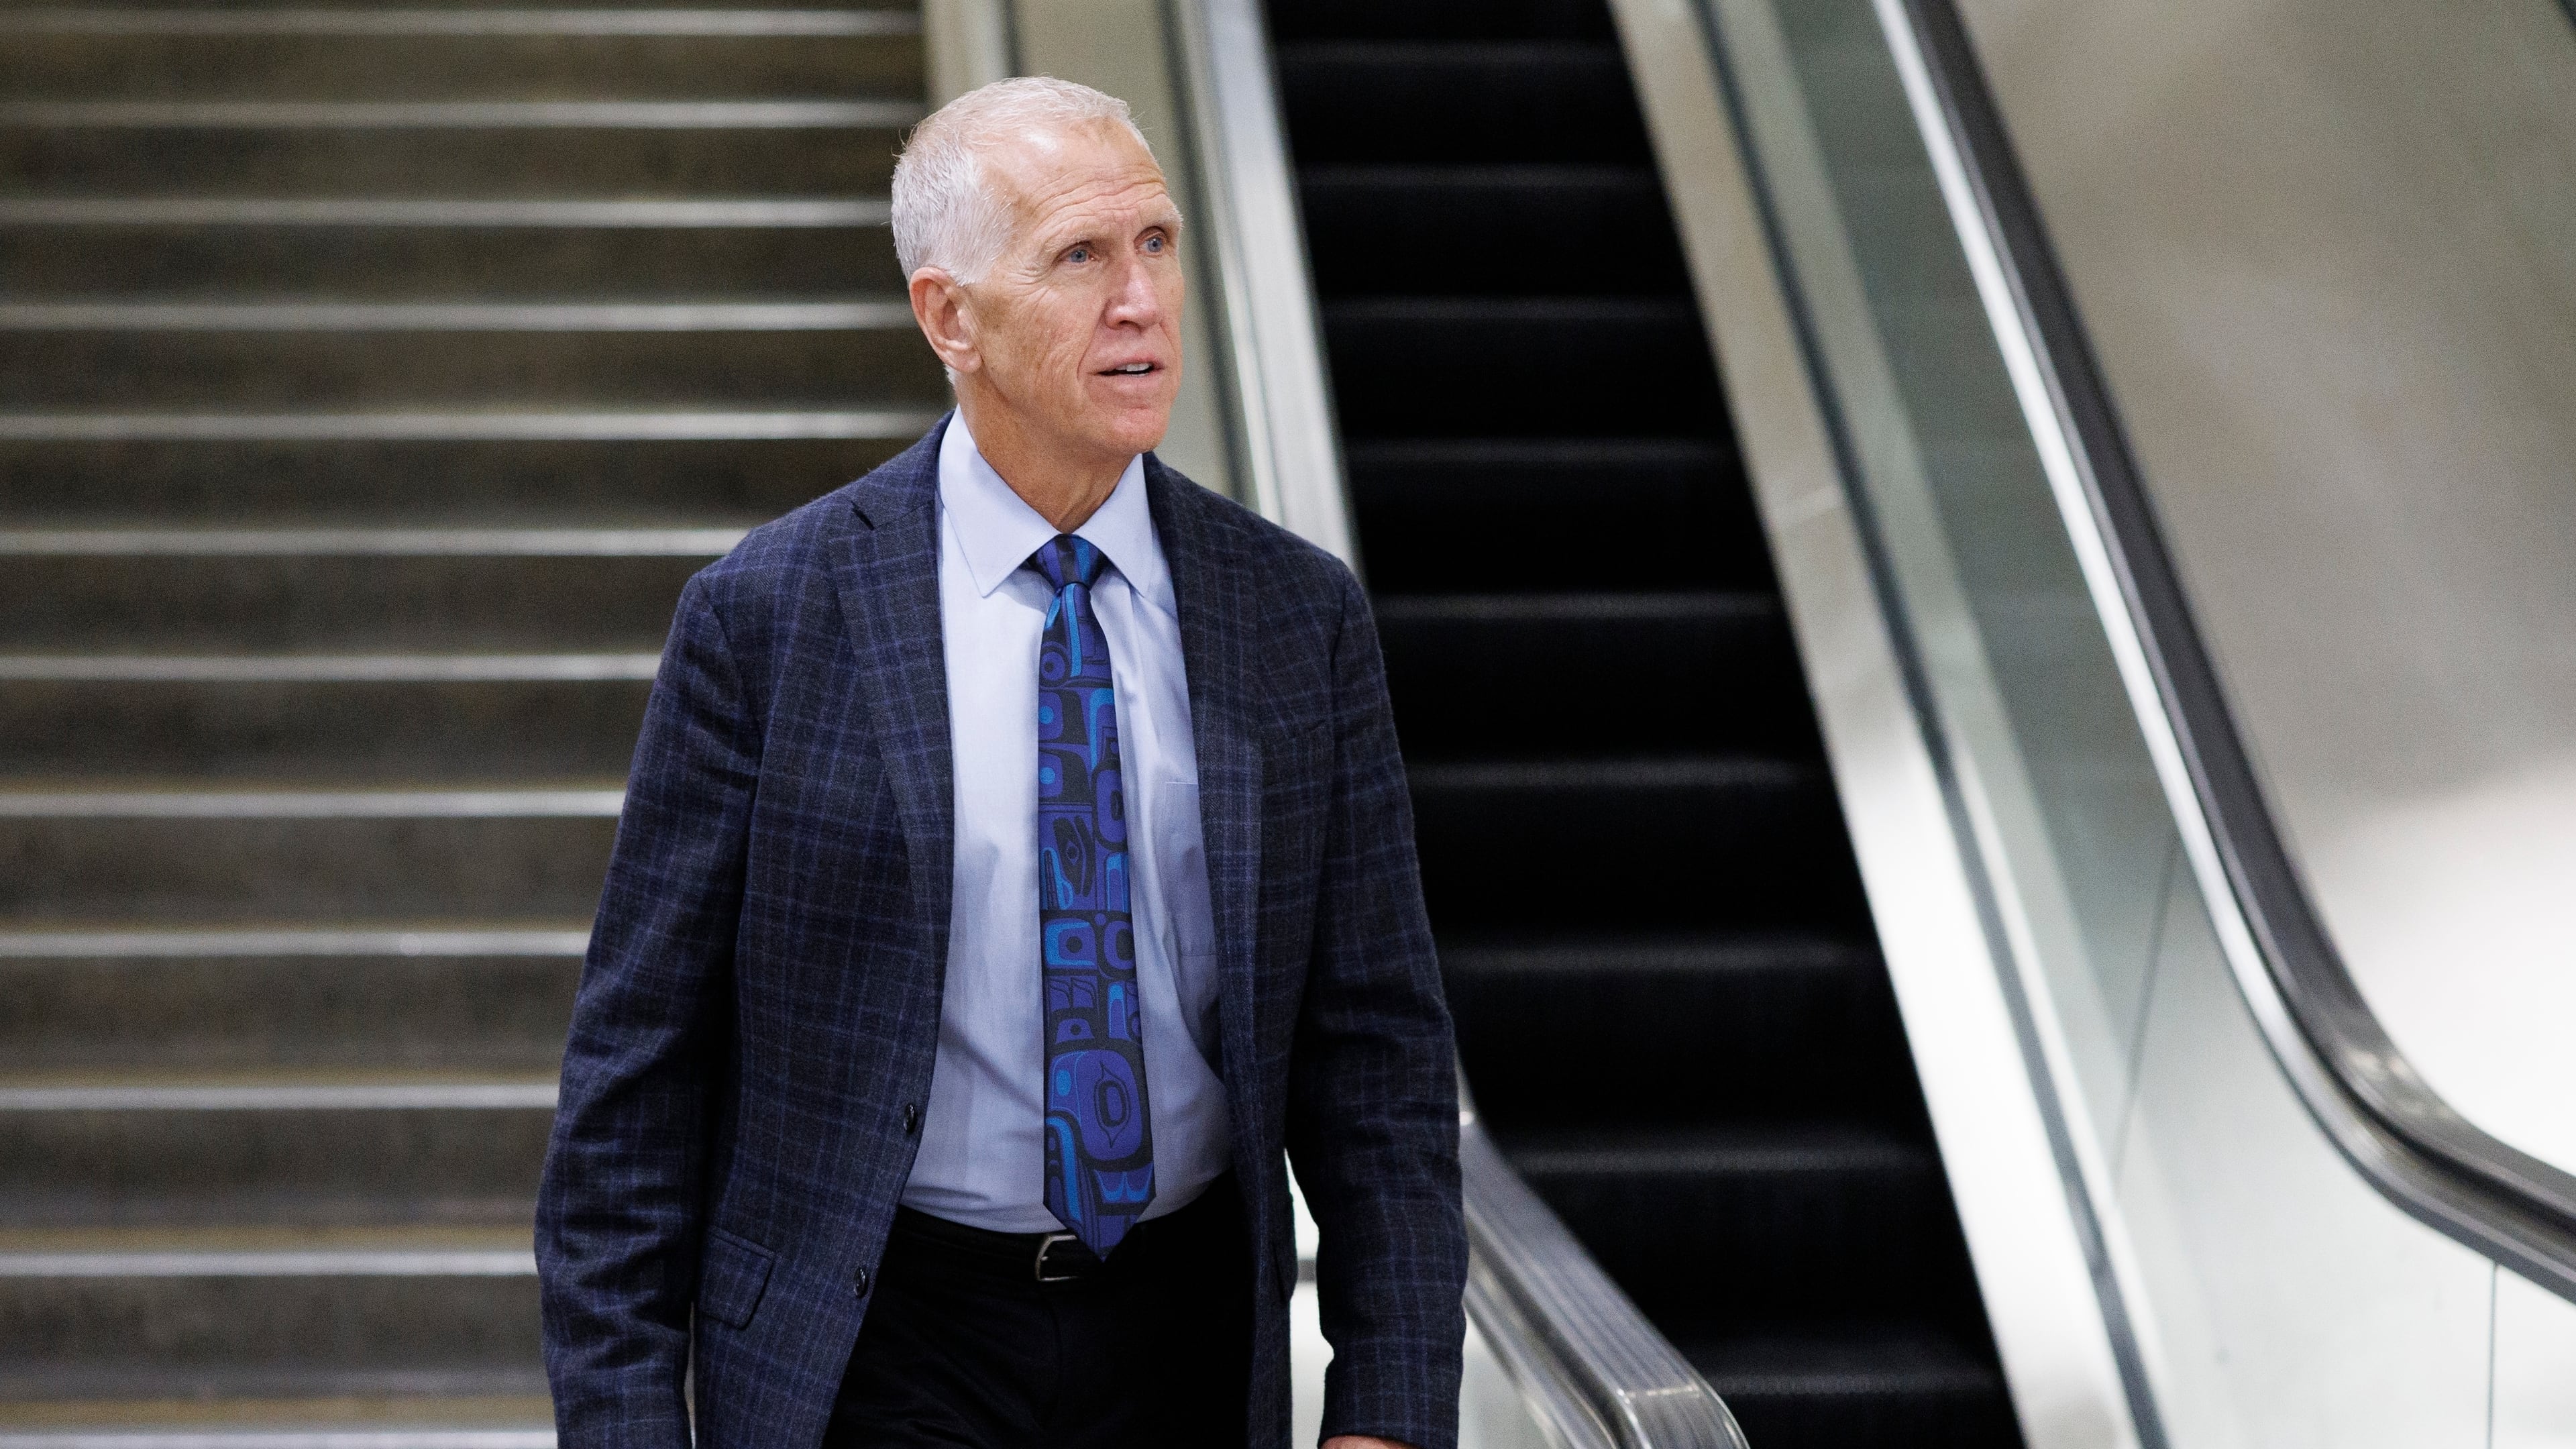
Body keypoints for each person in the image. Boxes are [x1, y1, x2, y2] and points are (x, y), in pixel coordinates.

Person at [533, 76, 1465, 1449]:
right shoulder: (770, 618)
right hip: (880, 1341)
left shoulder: (1294, 616)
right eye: (1079, 258)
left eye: (1155, 243)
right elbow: (637, 1080)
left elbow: (1378, 1048)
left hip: (1190, 1338)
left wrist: (1385, 1405)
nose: (1139, 299)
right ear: (948, 316)